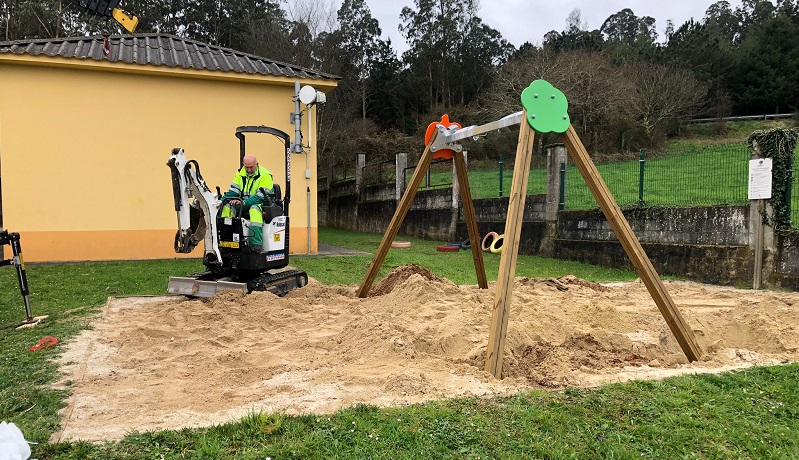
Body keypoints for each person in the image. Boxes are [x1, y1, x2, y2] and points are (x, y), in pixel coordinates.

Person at [220, 154, 274, 253]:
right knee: (227, 207)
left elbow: (260, 197)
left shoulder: (265, 175)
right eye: (246, 167)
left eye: (251, 167)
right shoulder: (240, 173)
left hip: (261, 204)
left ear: (257, 164)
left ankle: (256, 244)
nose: (249, 170)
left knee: (254, 209)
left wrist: (243, 203)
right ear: (243, 165)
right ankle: (226, 240)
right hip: (244, 203)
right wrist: (221, 201)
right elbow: (233, 191)